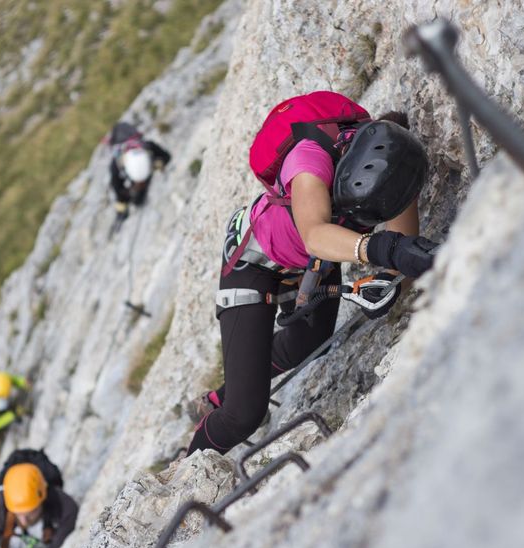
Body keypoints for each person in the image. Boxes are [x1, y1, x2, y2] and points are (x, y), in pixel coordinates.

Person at [186, 92, 438, 455]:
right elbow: (316, 234)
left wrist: (393, 279)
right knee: (243, 415)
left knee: (307, 346)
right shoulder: (308, 162)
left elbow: (402, 253)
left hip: (312, 260)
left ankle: (217, 396)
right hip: (254, 263)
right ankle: (189, 466)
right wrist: (383, 249)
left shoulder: (395, 167)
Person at [0, 461, 79, 548]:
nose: (24, 520)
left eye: (31, 512)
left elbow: (70, 516)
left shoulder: (55, 499)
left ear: (42, 498)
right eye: (19, 513)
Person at [106, 122, 171, 227]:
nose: (141, 185)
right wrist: (122, 204)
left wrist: (158, 164)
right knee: (133, 199)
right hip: (120, 137)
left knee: (137, 199)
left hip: (139, 155)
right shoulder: (116, 165)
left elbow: (166, 156)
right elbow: (116, 187)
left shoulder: (148, 147)